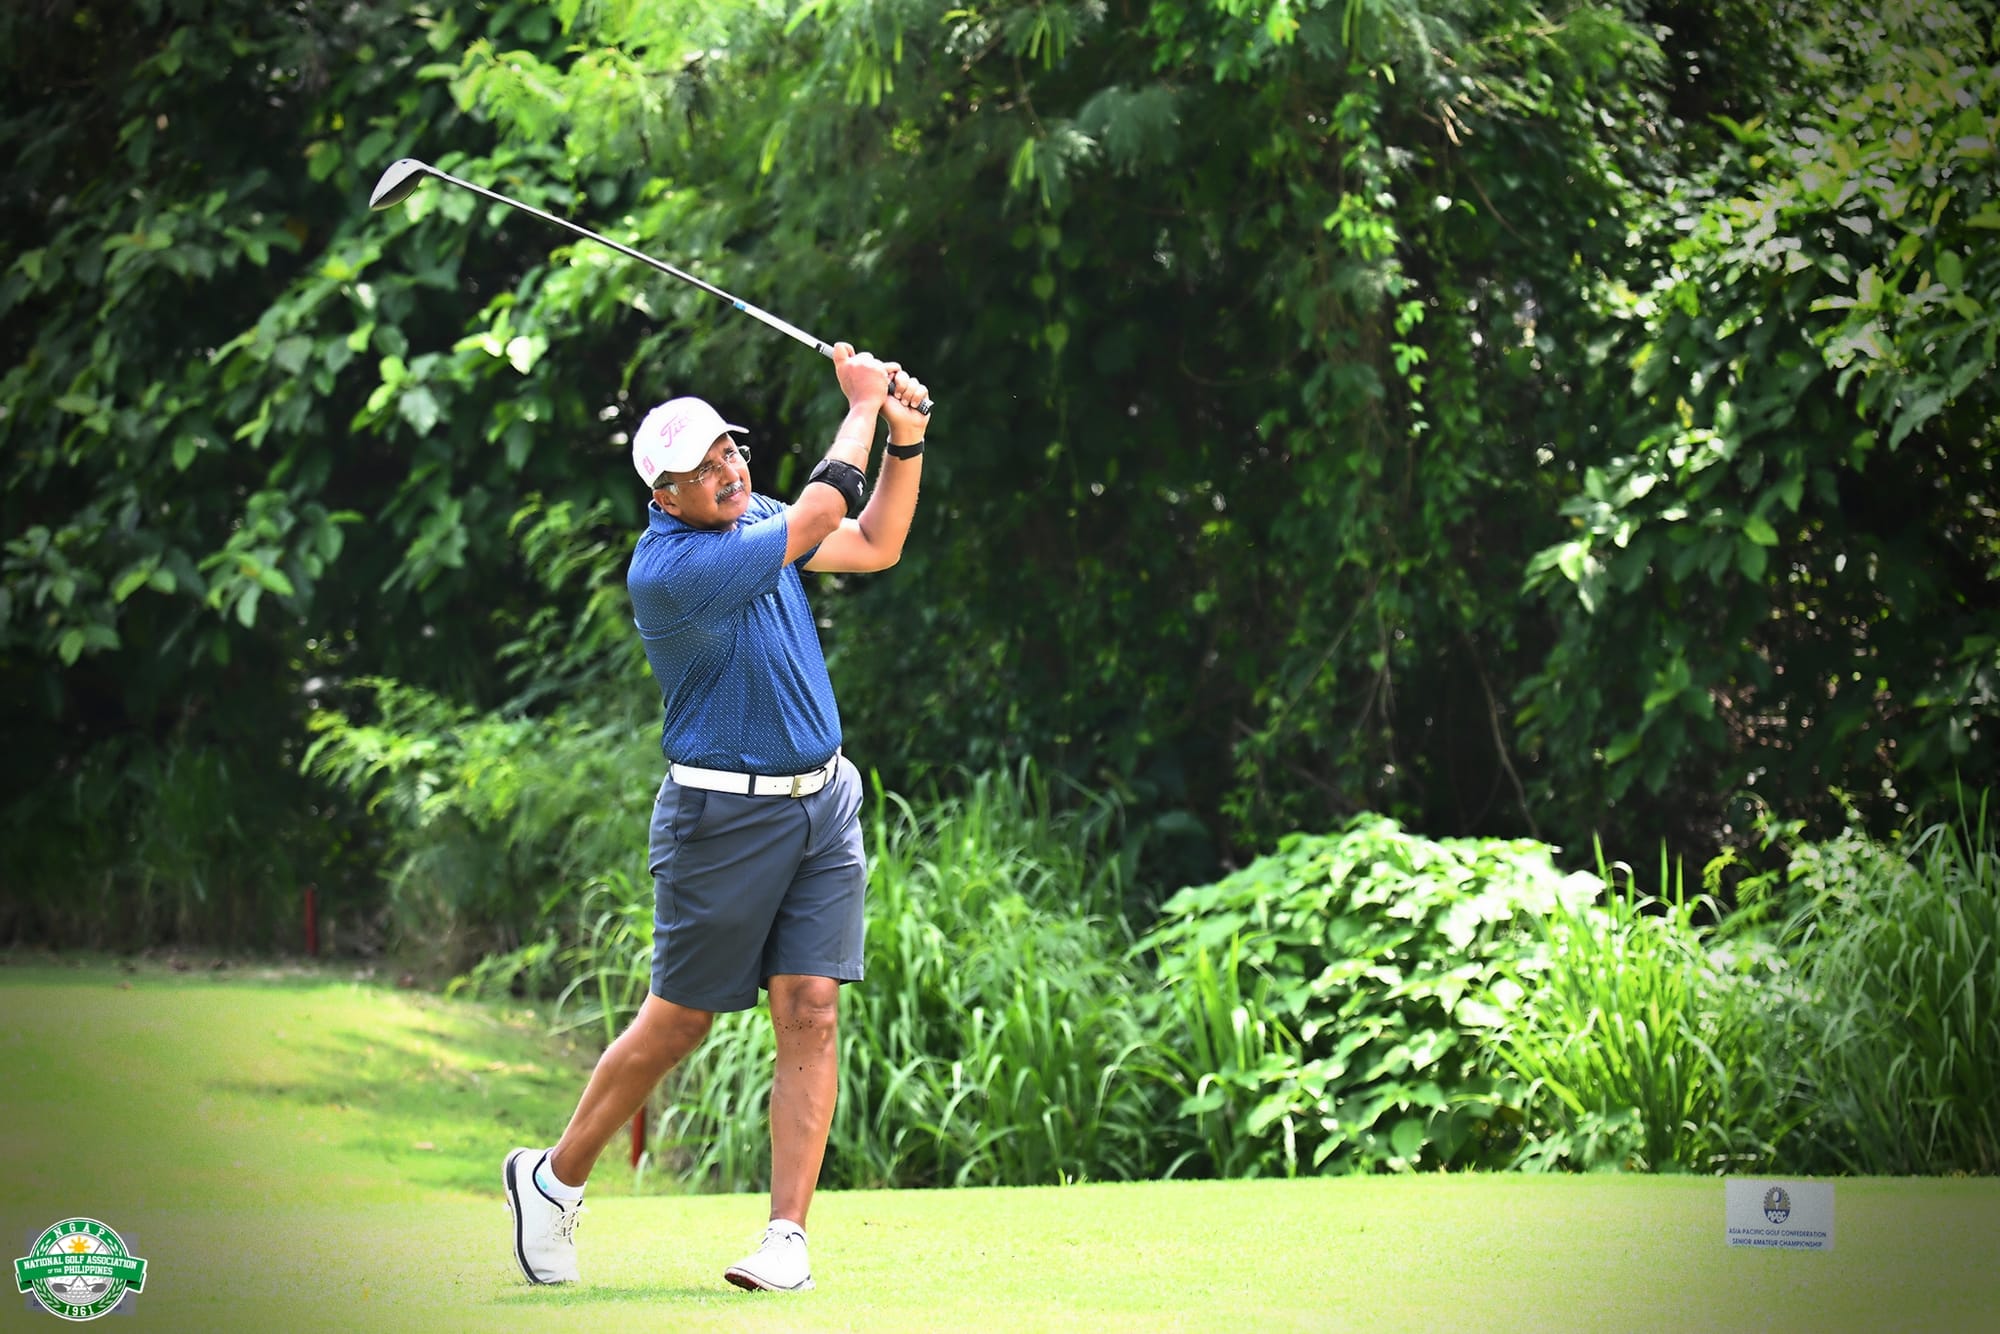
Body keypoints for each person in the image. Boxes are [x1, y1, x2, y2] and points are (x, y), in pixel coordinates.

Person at [502, 342, 930, 1293]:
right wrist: (861, 403)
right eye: (702, 469)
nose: (729, 471)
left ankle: (787, 1239)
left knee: (811, 1008)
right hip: (719, 821)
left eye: (729, 452)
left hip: (823, 801)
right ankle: (554, 1178)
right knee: (680, 1023)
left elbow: (873, 541)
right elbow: (826, 506)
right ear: (663, 497)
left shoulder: (759, 515)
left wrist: (906, 441)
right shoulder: (672, 572)